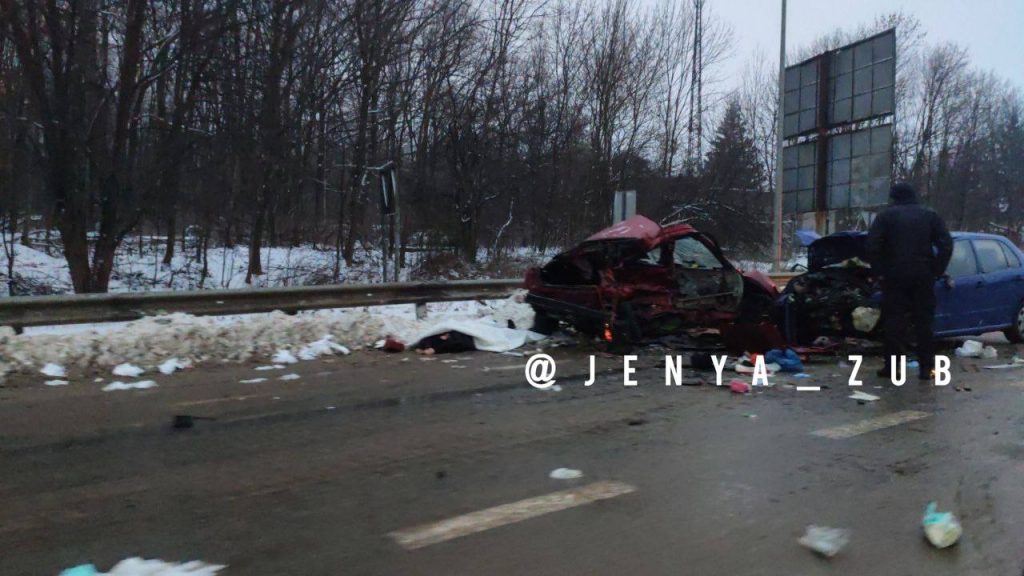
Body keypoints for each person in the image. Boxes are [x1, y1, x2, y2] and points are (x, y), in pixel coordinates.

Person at [866, 182, 953, 380]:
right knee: (924, 323)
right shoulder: (930, 215)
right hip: (923, 276)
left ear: (894, 198)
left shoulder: (885, 217)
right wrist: (936, 270)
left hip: (894, 277)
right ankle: (927, 369)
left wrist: (880, 272)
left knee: (894, 323)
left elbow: (872, 246)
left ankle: (892, 369)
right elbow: (946, 245)